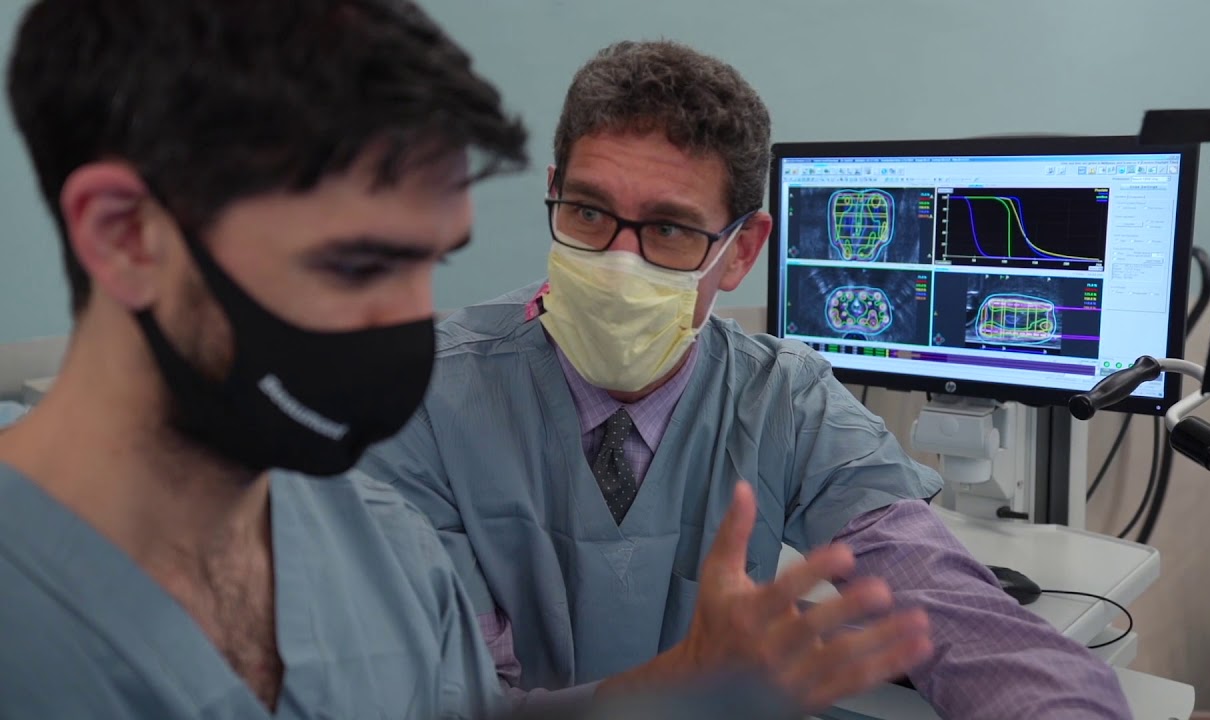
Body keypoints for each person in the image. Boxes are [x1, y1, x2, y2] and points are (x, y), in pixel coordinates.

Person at [360, 40, 1134, 718]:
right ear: (556, 191)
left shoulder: (782, 401)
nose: (617, 266)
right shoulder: (423, 399)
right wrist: (664, 698)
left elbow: (953, 613)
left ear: (741, 251)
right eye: (588, 213)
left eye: (669, 229)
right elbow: (443, 701)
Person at [0, 1, 527, 718]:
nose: (410, 327)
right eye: (357, 266)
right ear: (125, 235)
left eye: (434, 263)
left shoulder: (396, 566)